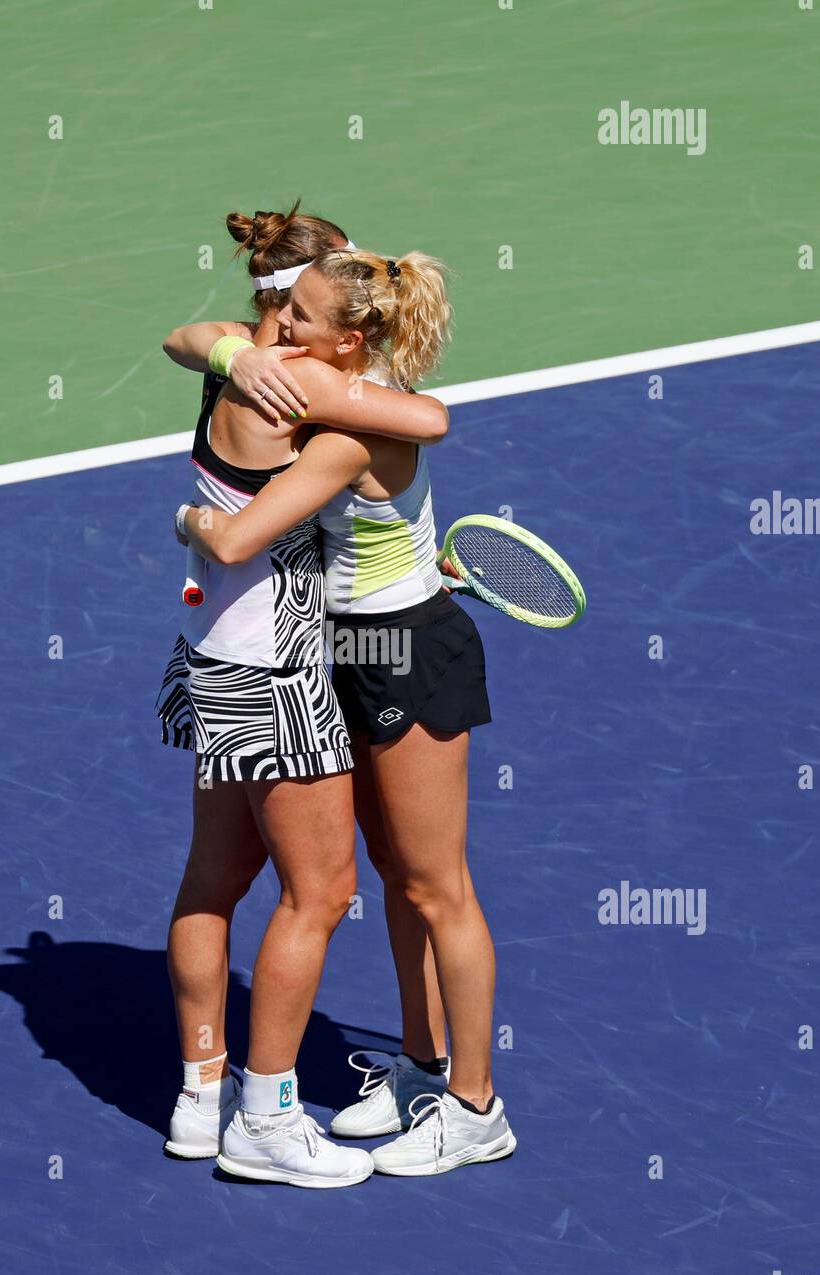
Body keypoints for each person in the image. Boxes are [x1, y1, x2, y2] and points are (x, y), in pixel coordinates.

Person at [180, 246, 517, 1176]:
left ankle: (476, 1104)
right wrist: (231, 351)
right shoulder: (354, 383)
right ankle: (417, 1068)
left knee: (436, 885)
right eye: (285, 313)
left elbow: (243, 530)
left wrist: (192, 525)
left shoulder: (342, 424)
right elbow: (201, 339)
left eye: (301, 320)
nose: (282, 329)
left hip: (406, 651)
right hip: (354, 653)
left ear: (351, 336)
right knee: (394, 873)